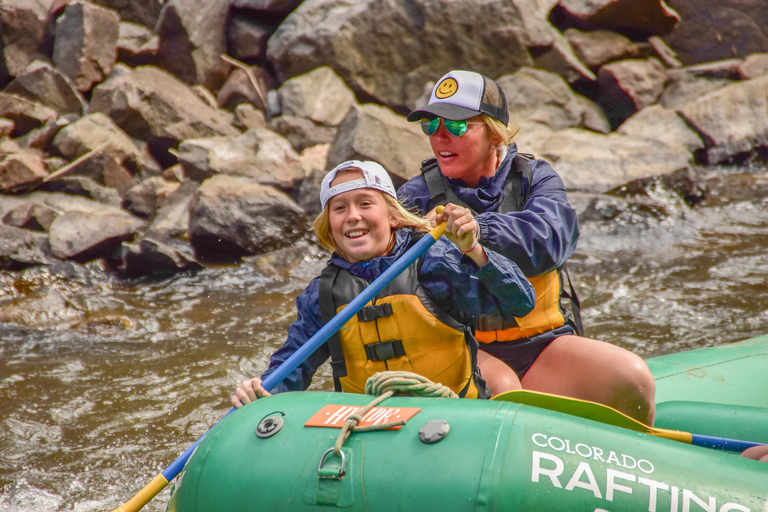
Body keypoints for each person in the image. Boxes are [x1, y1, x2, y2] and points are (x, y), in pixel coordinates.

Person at [397, 69, 657, 425]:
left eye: (457, 126)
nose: (440, 136)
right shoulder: (414, 196)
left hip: (541, 345)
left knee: (632, 378)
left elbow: (550, 239)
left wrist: (479, 229)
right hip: (458, 347)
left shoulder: (536, 178)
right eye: (431, 125)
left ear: (494, 133)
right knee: (501, 392)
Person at [232, 160, 536, 407]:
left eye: (365, 204)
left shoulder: (433, 262)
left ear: (392, 217)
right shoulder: (323, 294)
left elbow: (519, 302)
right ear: (330, 227)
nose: (352, 216)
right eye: (339, 208)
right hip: (368, 426)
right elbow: (292, 368)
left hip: (451, 416)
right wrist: (259, 391)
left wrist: (473, 250)